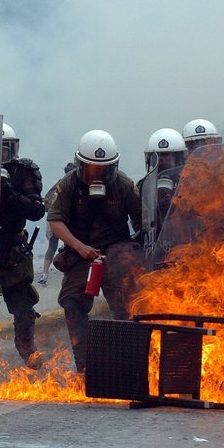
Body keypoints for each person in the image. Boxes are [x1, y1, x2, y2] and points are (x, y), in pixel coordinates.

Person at [46, 130, 141, 372]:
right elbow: (55, 221)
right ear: (80, 164)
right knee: (71, 303)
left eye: (103, 170)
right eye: (91, 170)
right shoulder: (68, 184)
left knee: (128, 307)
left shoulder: (124, 185)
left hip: (116, 253)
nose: (96, 176)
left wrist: (132, 255)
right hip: (81, 253)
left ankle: (128, 364)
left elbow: (142, 219)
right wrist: (79, 247)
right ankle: (86, 366)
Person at [0, 123, 45, 369]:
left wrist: (9, 194)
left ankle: (27, 349)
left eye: (4, 149)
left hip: (13, 247)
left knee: (24, 306)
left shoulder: (23, 172)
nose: (0, 154)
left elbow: (36, 211)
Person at [137, 128, 188, 242]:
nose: (162, 160)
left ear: (179, 157)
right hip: (155, 241)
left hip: (184, 238)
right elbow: (139, 218)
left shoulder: (190, 182)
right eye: (158, 156)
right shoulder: (143, 185)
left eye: (167, 155)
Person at [38, 162, 76, 286]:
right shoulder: (71, 185)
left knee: (52, 246)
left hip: (54, 220)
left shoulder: (58, 184)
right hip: (65, 221)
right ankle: (68, 273)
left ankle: (45, 273)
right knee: (70, 246)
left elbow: (47, 201)